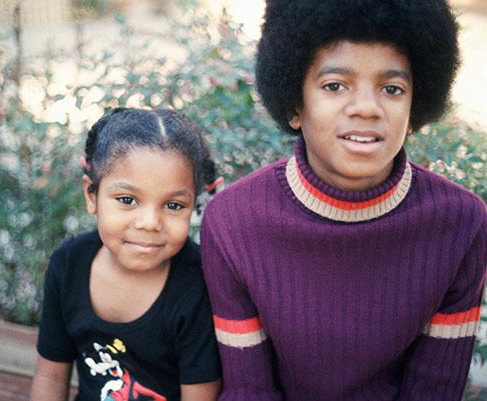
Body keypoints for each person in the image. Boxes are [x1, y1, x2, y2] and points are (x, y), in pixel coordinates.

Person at [200, 0, 487, 400]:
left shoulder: (460, 224)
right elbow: (250, 390)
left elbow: (433, 391)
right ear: (295, 104)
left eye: (392, 88)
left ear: (415, 106)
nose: (367, 108)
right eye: (335, 85)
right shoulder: (233, 223)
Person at [30, 108, 222, 401]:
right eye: (127, 200)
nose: (149, 223)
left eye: (173, 205)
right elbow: (50, 375)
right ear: (92, 196)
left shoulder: (198, 287)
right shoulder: (69, 265)